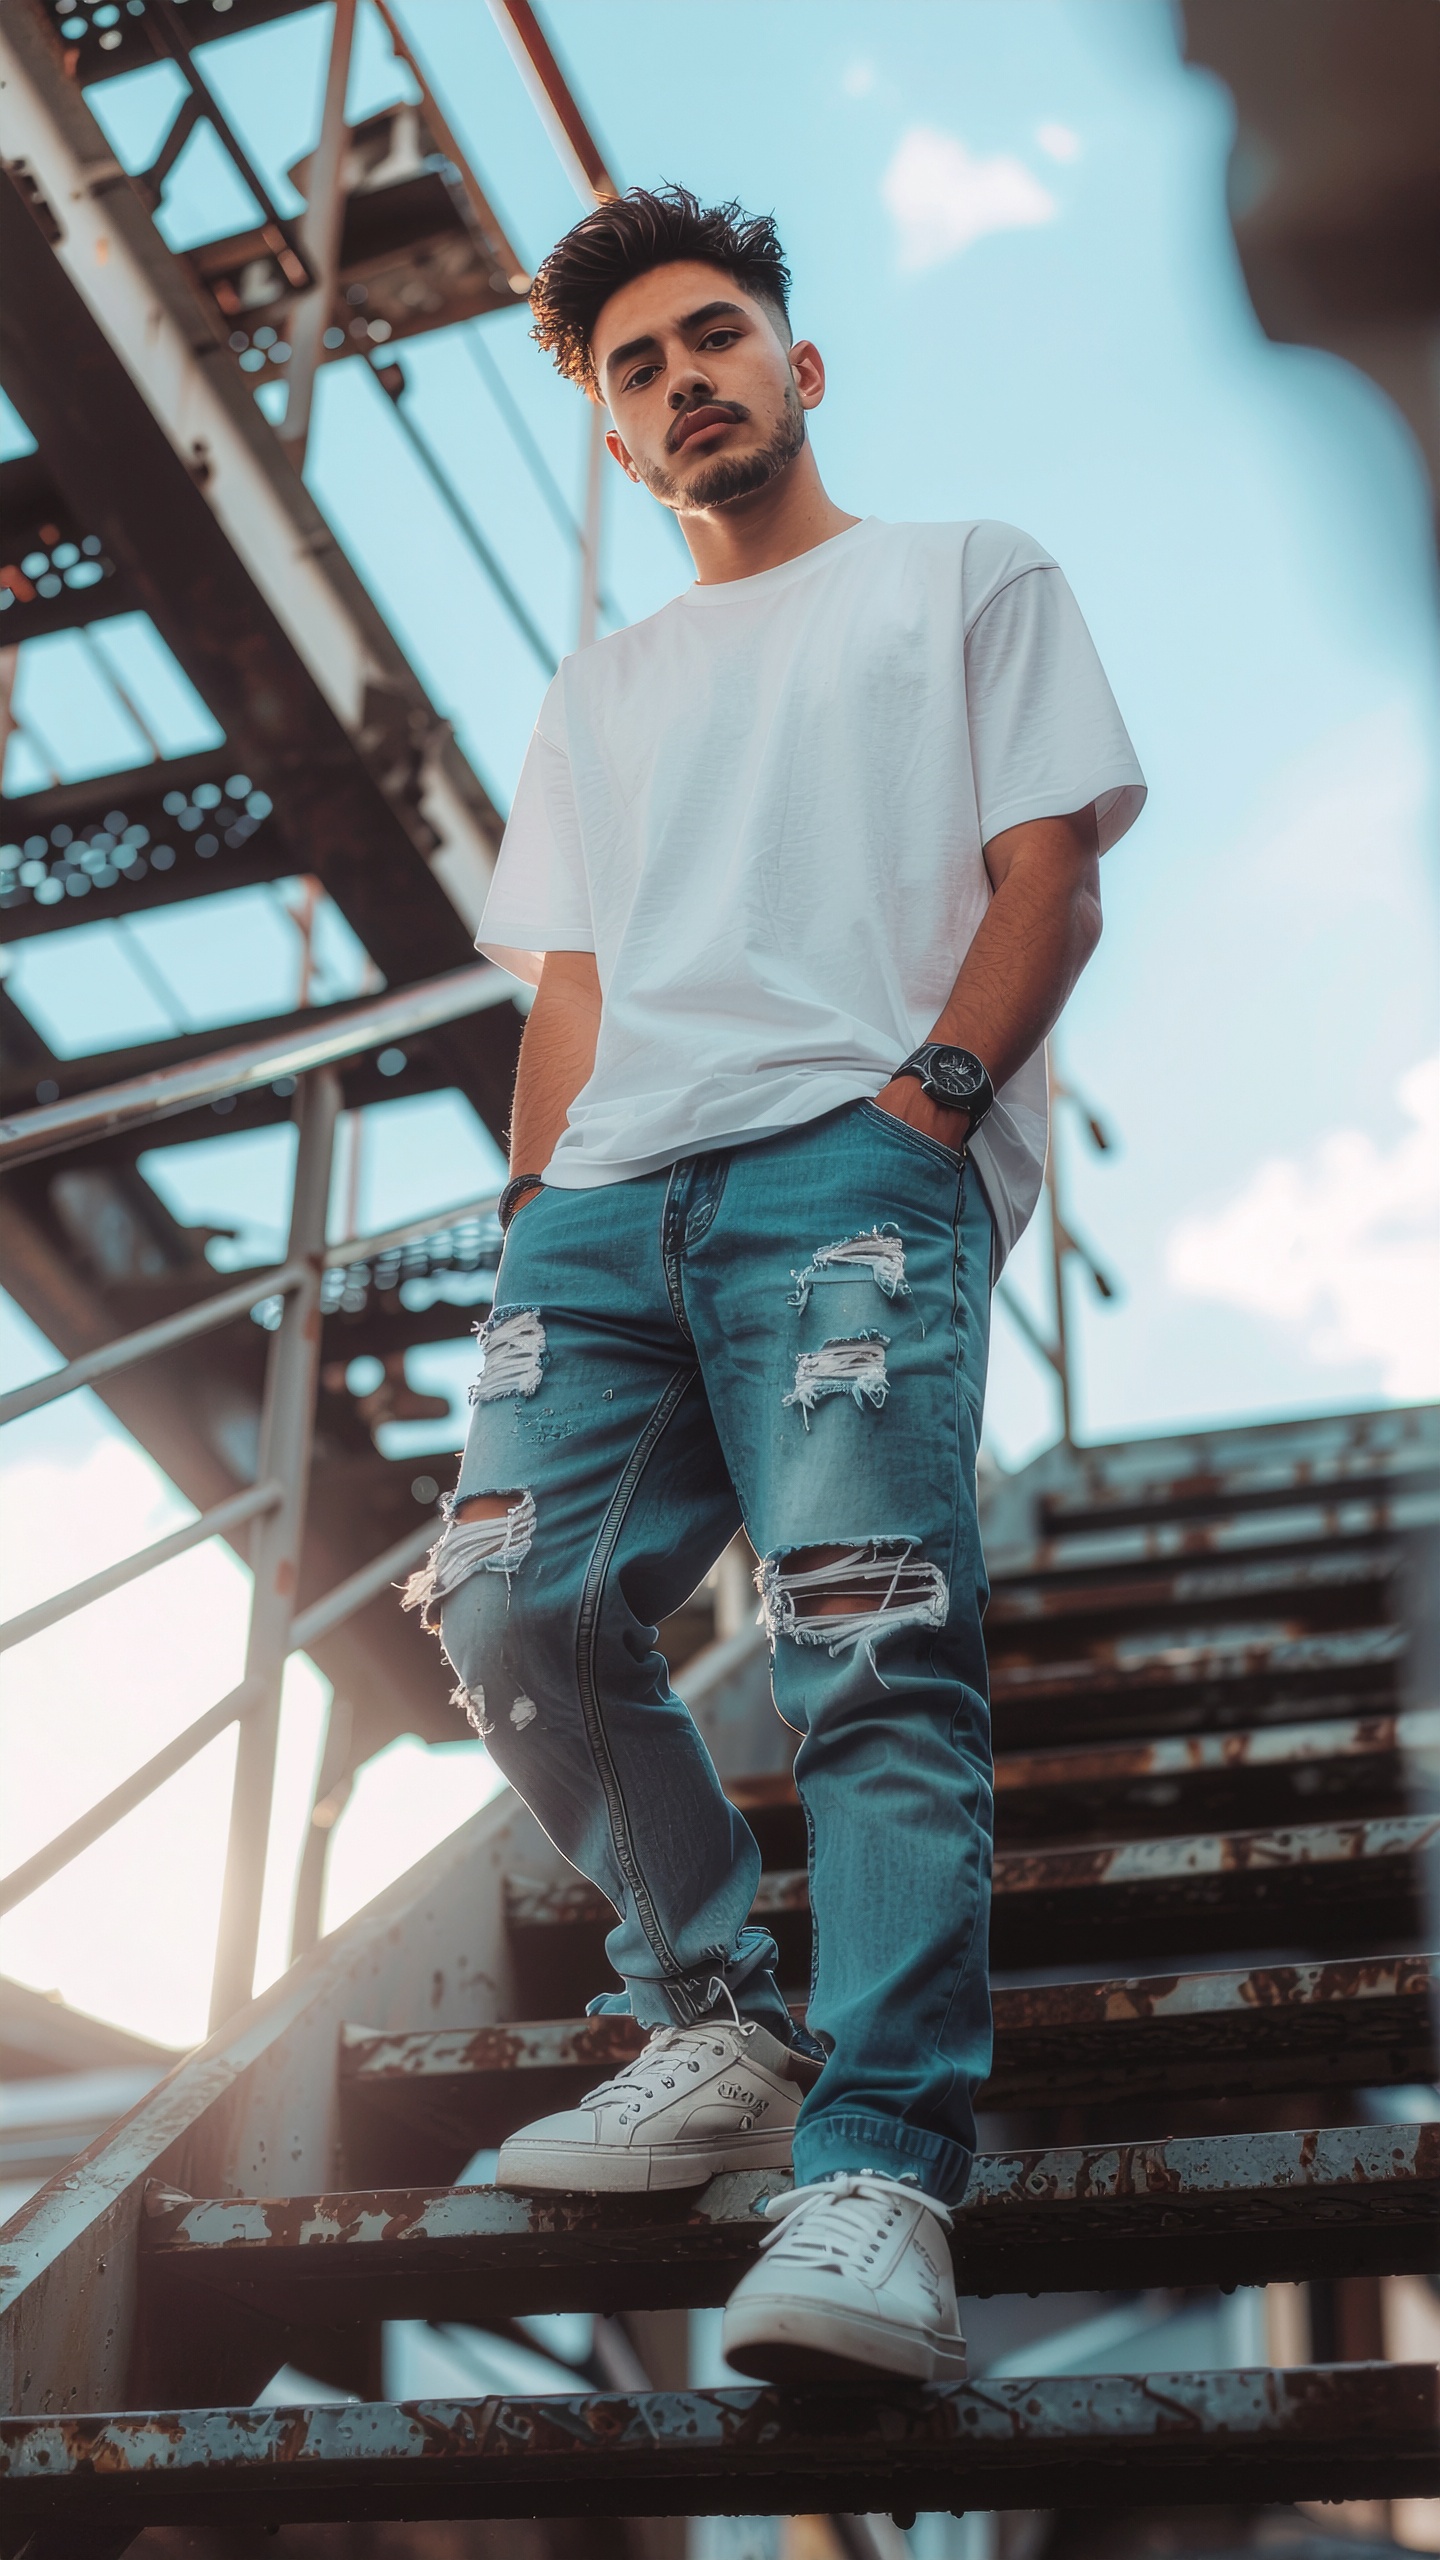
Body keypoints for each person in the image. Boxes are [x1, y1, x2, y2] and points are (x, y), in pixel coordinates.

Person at [406, 185, 1145, 2385]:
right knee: (507, 1605)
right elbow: (574, 986)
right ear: (619, 439)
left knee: (864, 1647)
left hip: (853, 1162)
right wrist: (535, 1210)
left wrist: (928, 1113)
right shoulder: (603, 688)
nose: (683, 381)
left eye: (712, 336)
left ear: (797, 363)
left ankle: (882, 2170)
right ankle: (713, 2018)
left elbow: (1049, 874)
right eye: (637, 369)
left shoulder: (964, 572)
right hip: (603, 1204)